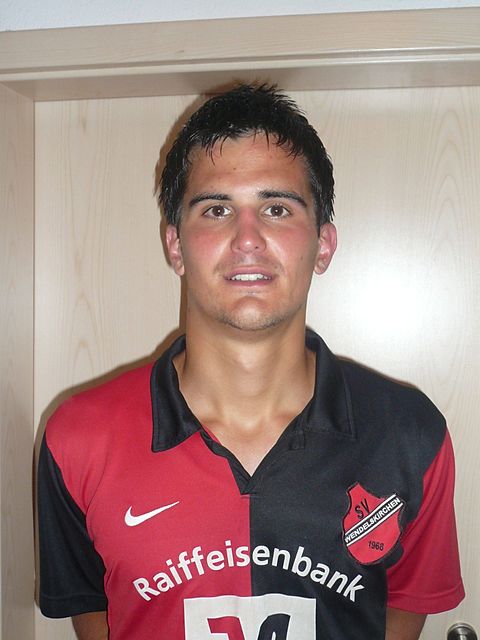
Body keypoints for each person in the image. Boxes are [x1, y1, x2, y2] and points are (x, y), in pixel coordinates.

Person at [37, 84, 464, 640]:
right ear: (175, 245)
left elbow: (404, 608)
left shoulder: (409, 434)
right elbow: (94, 612)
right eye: (216, 209)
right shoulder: (78, 439)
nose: (247, 239)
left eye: (276, 208)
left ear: (323, 244)